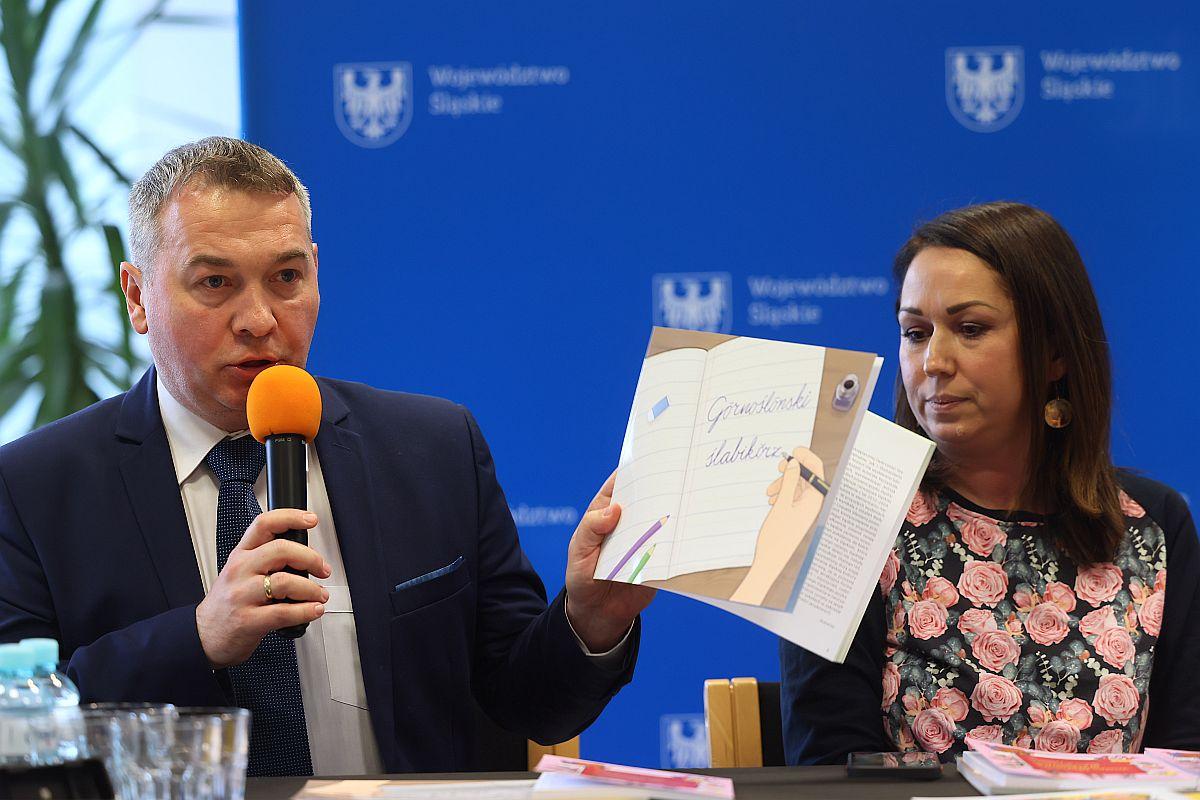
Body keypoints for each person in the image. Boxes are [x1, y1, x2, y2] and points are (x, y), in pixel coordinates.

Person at [0, 137, 654, 776]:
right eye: (215, 282)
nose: (258, 318)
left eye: (286, 277)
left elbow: (528, 703)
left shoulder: (434, 449)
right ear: (138, 296)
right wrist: (199, 636)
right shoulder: (35, 488)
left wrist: (589, 617)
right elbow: (16, 731)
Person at [780, 201, 1200, 763]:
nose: (933, 360)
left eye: (970, 329)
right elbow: (828, 764)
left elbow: (1187, 760)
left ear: (1054, 352)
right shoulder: (848, 512)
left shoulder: (1153, 525)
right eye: (915, 332)